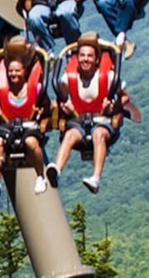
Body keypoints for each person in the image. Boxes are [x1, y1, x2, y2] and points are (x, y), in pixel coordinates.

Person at [47, 33, 129, 194]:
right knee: (70, 136)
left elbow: (125, 97)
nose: (85, 59)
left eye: (90, 56)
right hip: (78, 120)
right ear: (77, 58)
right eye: (82, 56)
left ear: (97, 60)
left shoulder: (110, 77)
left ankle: (96, 178)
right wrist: (66, 108)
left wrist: (114, 106)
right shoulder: (67, 79)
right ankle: (56, 169)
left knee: (98, 134)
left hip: (102, 120)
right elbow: (61, 98)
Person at [0, 39, 51, 198]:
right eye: (10, 71)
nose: (13, 74)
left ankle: (40, 176)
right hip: (8, 123)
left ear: (24, 71)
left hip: (29, 123)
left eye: (17, 71)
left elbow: (47, 107)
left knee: (31, 142)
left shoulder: (35, 89)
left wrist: (40, 112)